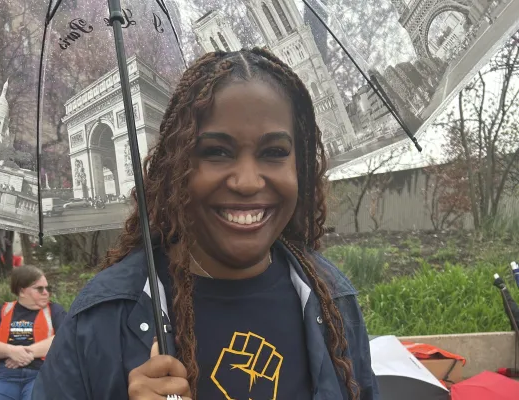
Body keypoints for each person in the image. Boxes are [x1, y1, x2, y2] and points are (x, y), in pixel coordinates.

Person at [32, 48, 379, 400]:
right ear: (175, 165)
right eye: (217, 152)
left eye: (274, 152)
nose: (247, 182)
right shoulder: (101, 320)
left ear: (300, 166)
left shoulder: (333, 300)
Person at [0, 265, 66, 400]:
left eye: (47, 288)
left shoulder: (55, 311)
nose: (46, 293)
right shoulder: (0, 311)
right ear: (22, 291)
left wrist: (26, 353)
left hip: (42, 374)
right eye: (39, 288)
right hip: (1, 376)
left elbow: (64, 339)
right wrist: (11, 351)